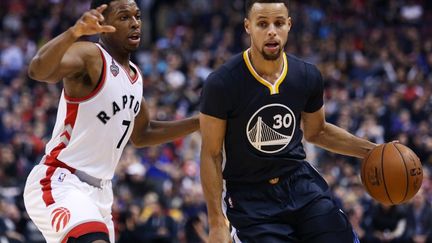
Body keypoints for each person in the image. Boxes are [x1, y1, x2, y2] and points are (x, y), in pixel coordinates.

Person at [199, 0, 377, 242]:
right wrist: (216, 222)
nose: (272, 30)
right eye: (262, 24)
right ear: (248, 26)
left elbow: (318, 132)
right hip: (252, 199)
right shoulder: (222, 83)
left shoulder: (306, 75)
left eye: (279, 23)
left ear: (289, 26)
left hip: (300, 184)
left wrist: (373, 151)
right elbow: (211, 153)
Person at [23, 1, 199, 242]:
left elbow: (143, 133)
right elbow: (38, 70)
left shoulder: (135, 77)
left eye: (137, 16)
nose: (135, 23)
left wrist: (200, 122)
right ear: (103, 23)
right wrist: (74, 32)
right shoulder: (91, 56)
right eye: (124, 17)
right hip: (61, 179)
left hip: (102, 194)